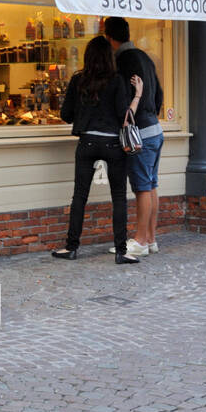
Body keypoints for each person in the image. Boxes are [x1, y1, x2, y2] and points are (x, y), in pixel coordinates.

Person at [53, 35, 143, 262]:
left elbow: (66, 115)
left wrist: (85, 112)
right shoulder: (117, 80)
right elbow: (125, 118)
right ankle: (121, 252)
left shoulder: (78, 80)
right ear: (109, 58)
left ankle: (71, 247)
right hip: (113, 143)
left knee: (80, 196)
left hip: (87, 143)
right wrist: (138, 95)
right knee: (119, 197)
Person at [104, 17, 164, 257]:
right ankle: (150, 239)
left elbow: (124, 101)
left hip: (139, 133)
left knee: (141, 188)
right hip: (155, 129)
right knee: (151, 185)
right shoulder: (145, 57)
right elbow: (159, 93)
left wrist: (125, 118)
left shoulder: (123, 61)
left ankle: (139, 241)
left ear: (109, 38)